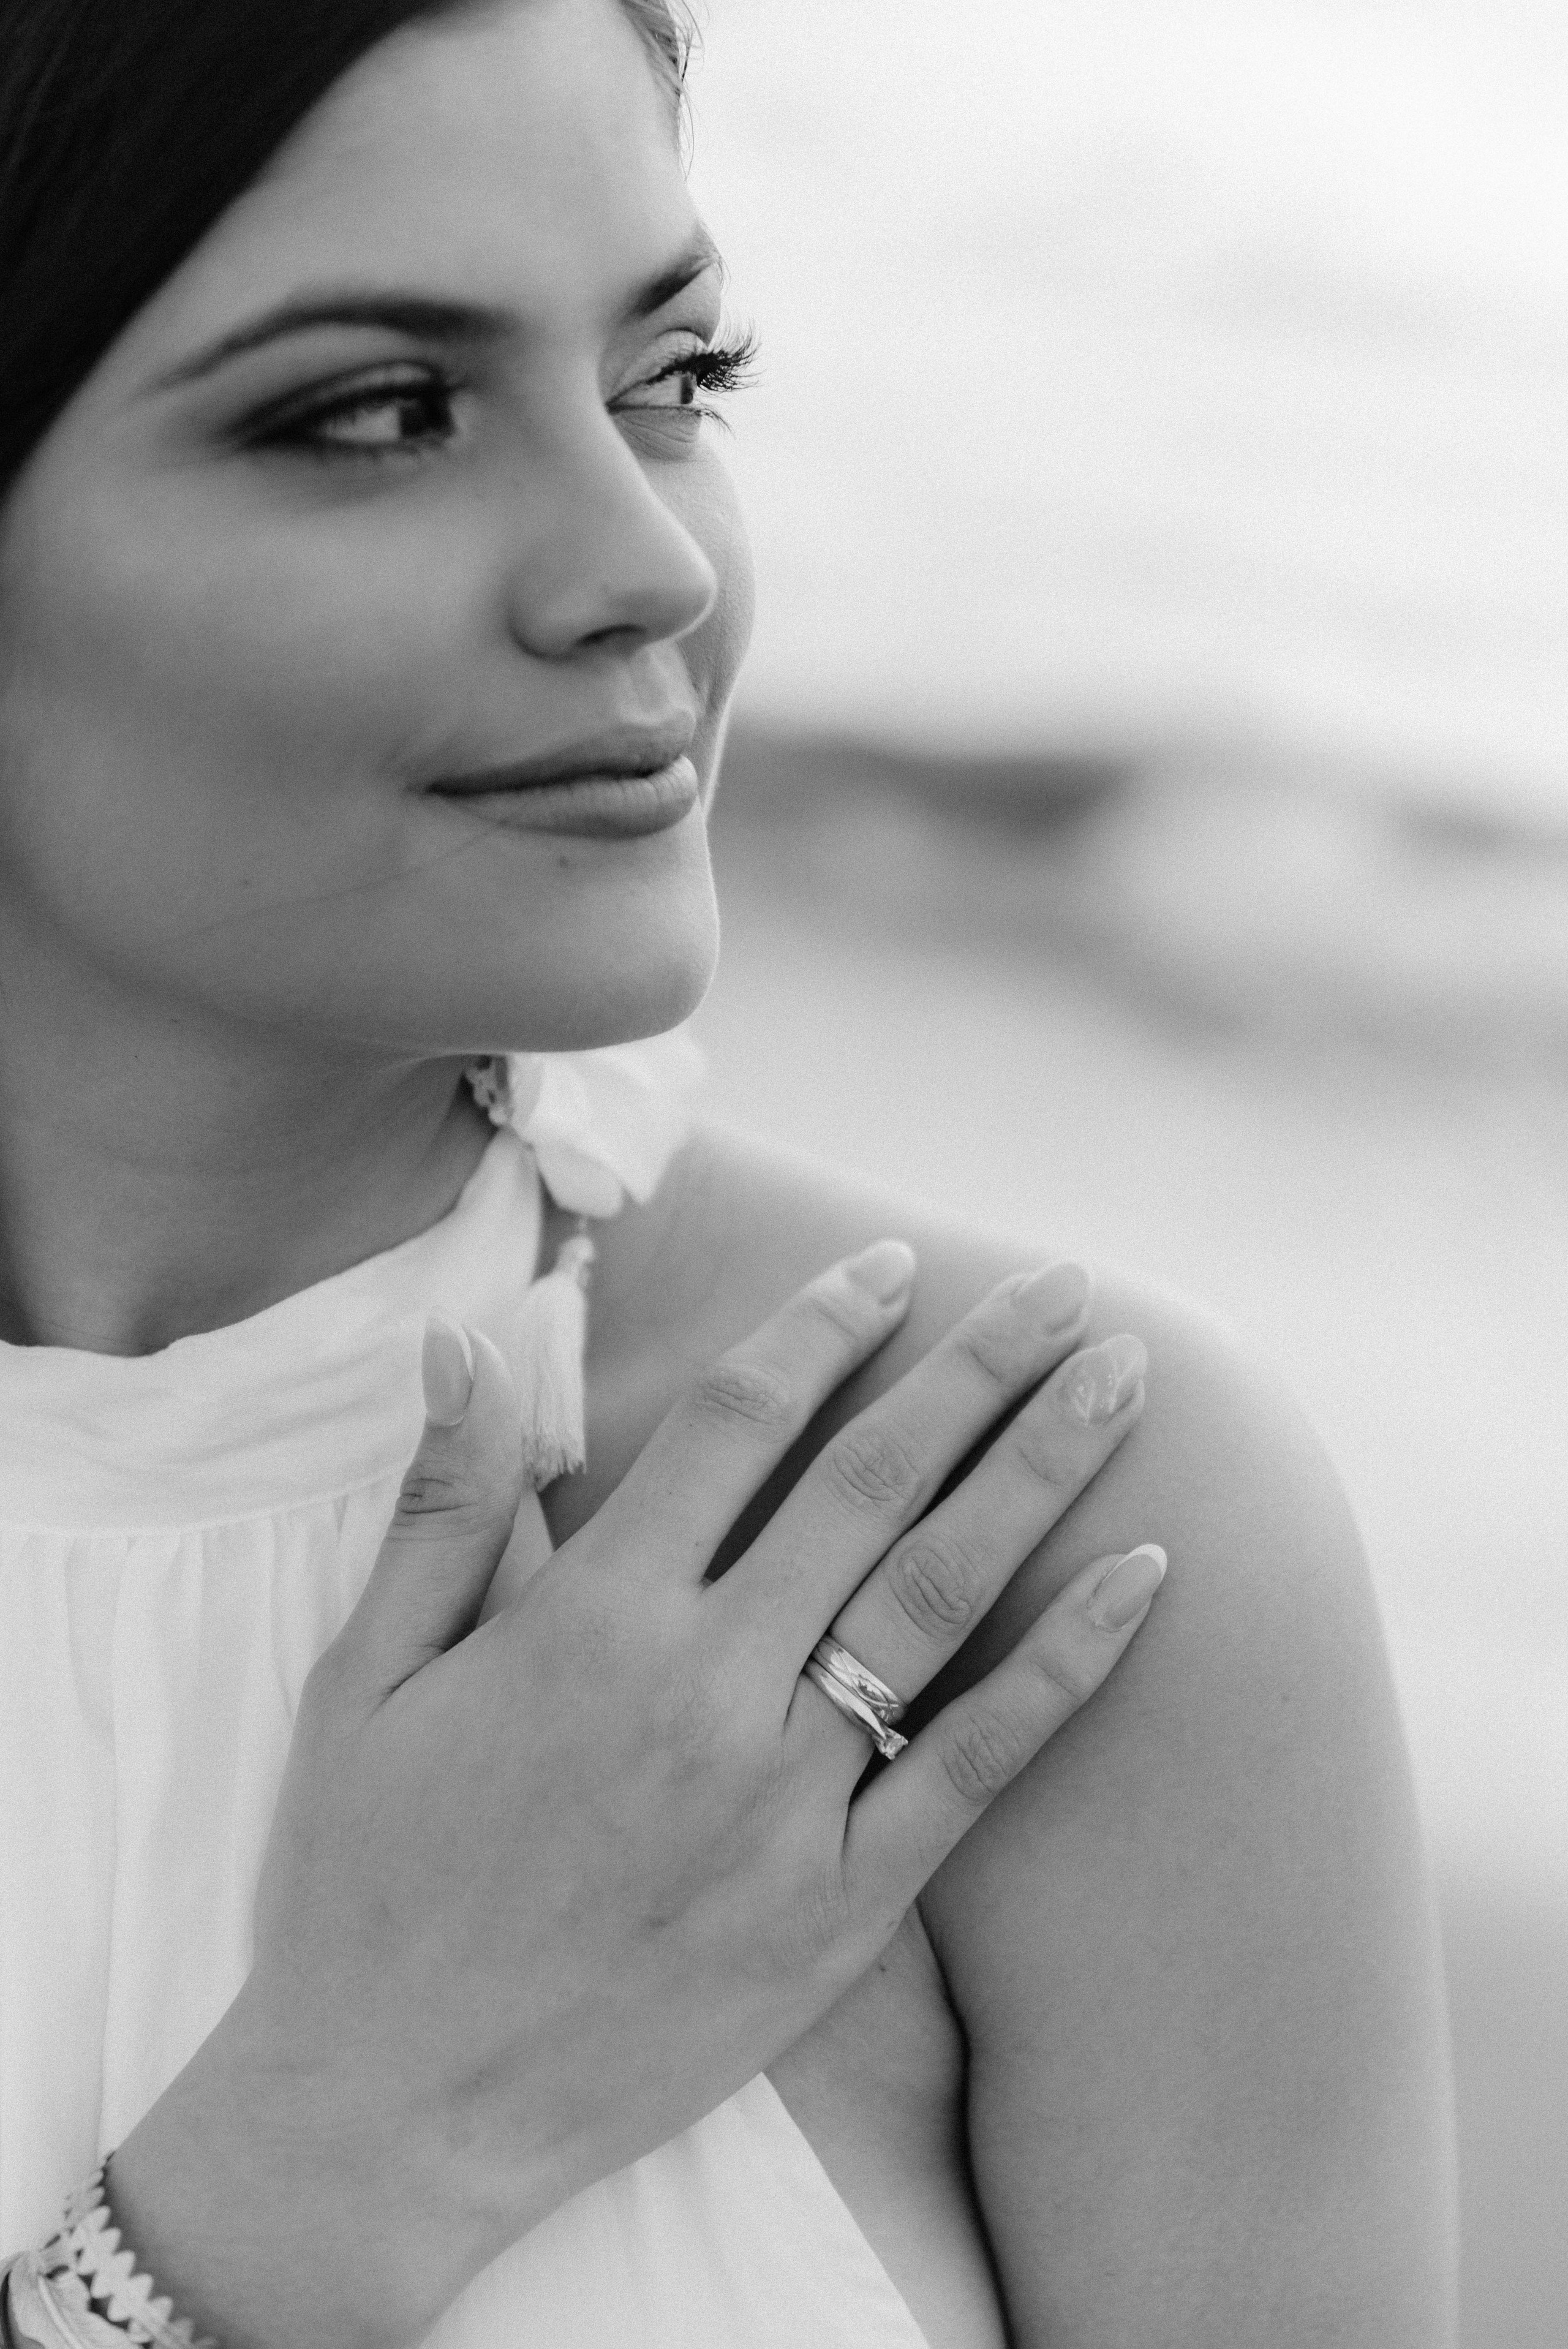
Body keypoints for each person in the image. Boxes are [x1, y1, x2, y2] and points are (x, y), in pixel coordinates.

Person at [0, 2, 1457, 2344]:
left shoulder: (1025, 1537)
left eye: (677, 376)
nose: (645, 564)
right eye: (380, 413)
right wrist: (329, 2155)